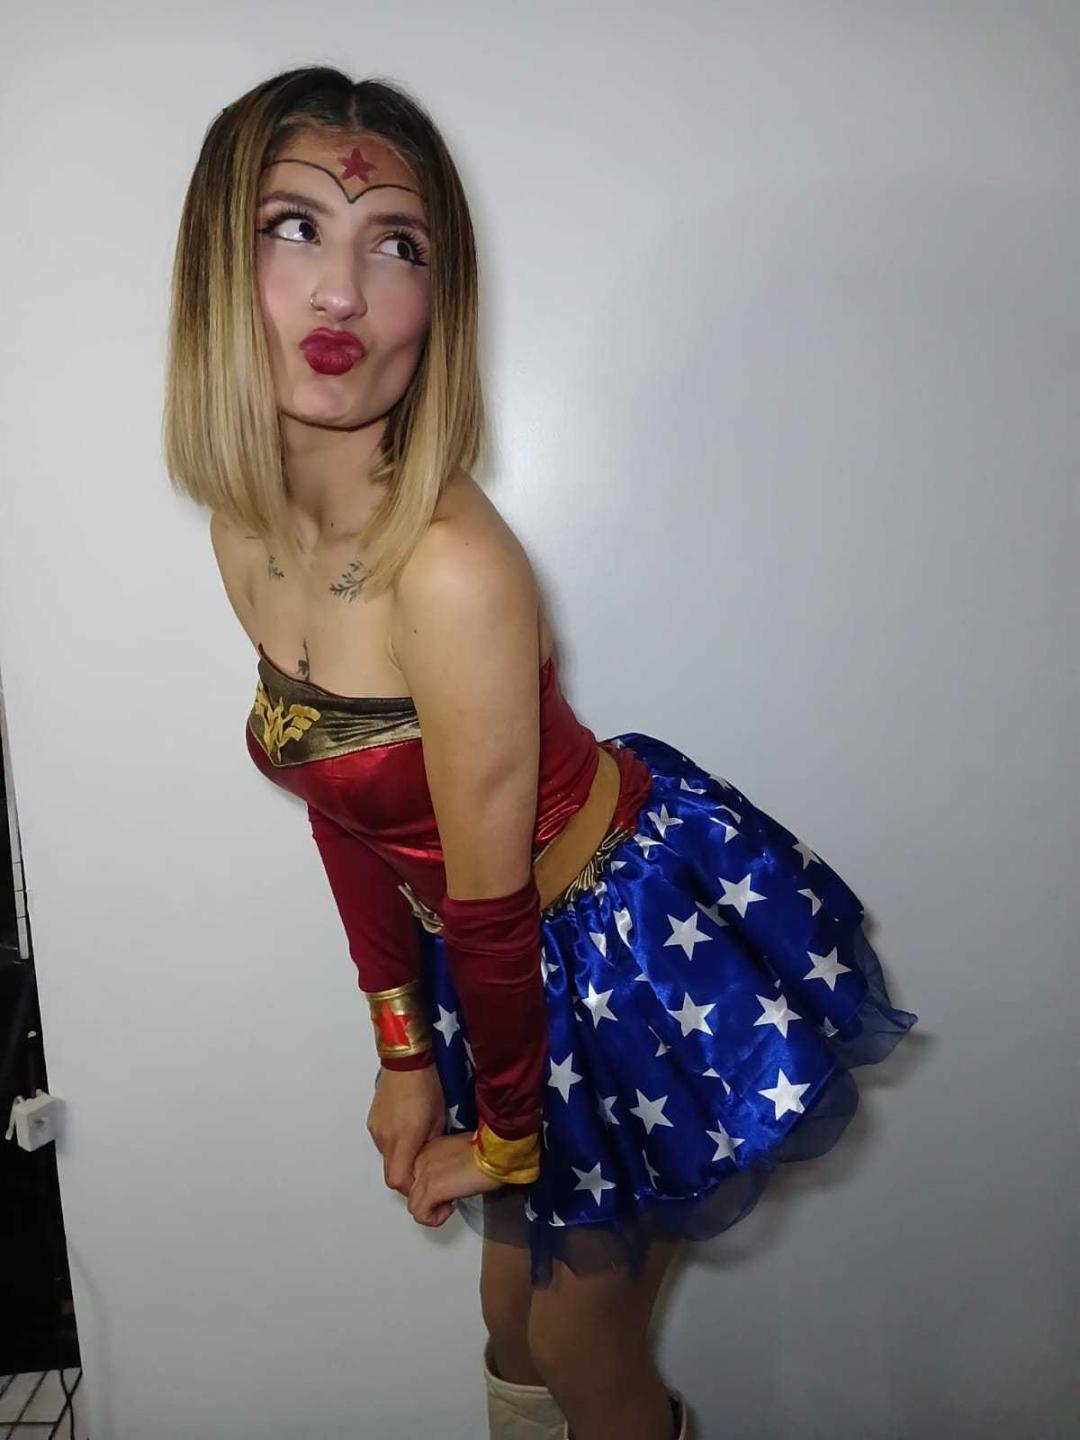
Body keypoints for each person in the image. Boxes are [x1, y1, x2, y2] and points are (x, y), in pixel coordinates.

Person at [163, 66, 919, 1440]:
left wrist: (501, 1130)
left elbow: (492, 900)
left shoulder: (452, 570)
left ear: (438, 298)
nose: (343, 293)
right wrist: (402, 1049)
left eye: (396, 244)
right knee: (511, 1319)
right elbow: (341, 805)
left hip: (618, 954)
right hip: (494, 969)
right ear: (217, 262)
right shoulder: (247, 533)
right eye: (294, 228)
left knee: (574, 1333)